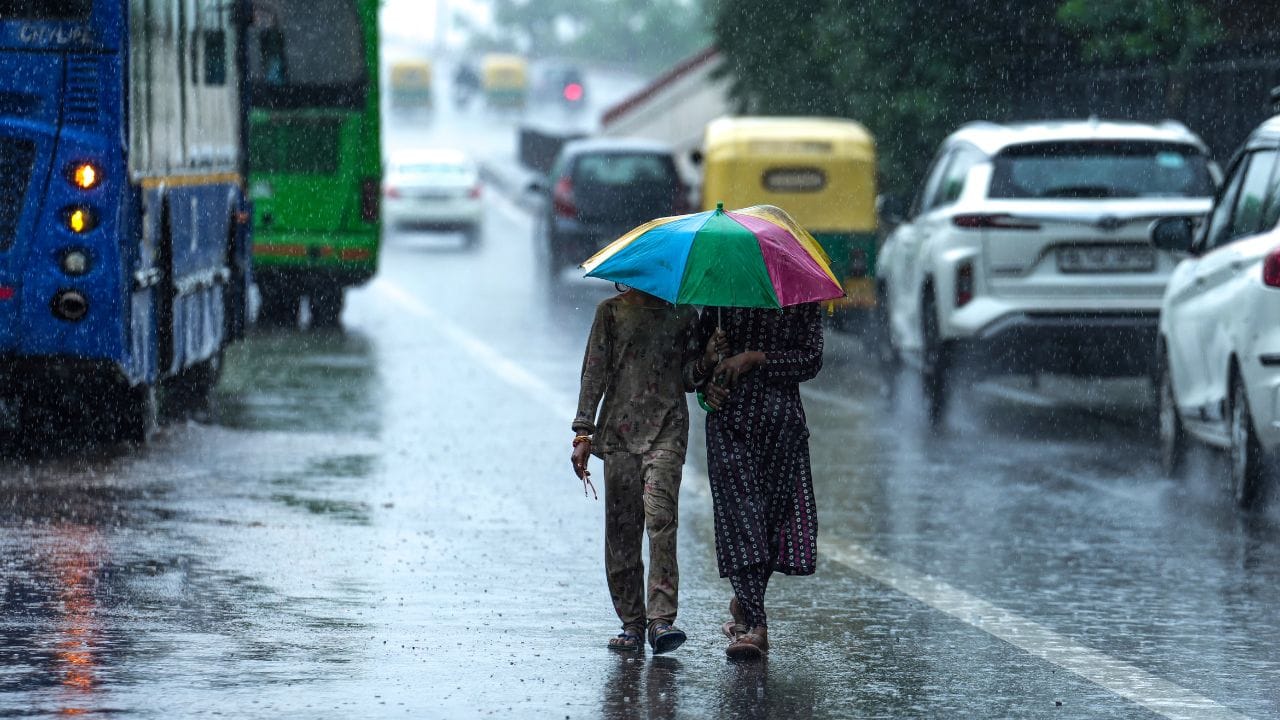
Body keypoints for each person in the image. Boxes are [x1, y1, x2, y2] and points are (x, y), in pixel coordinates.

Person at [571, 287, 726, 654]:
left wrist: (706, 359)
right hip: (620, 437)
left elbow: (689, 378)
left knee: (661, 520)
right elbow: (594, 372)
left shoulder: (684, 315)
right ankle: (632, 623)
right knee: (623, 530)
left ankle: (660, 620)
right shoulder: (610, 313)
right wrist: (583, 431)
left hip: (666, 433)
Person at [694, 303, 823, 660]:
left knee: (768, 525)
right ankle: (756, 626)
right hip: (730, 424)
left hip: (782, 427)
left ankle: (745, 605)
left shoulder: (798, 300)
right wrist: (710, 367)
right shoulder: (723, 294)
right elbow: (692, 371)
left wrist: (755, 358)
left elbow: (810, 360)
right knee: (742, 520)